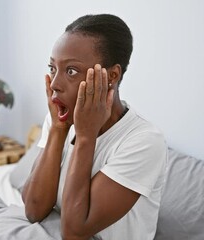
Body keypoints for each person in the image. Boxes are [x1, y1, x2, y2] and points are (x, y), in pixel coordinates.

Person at [22, 14, 167, 240]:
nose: (56, 85)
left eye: (71, 71)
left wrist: (86, 136)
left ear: (112, 75)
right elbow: (33, 209)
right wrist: (58, 131)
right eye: (53, 69)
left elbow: (73, 232)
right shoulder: (61, 117)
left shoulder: (144, 142)